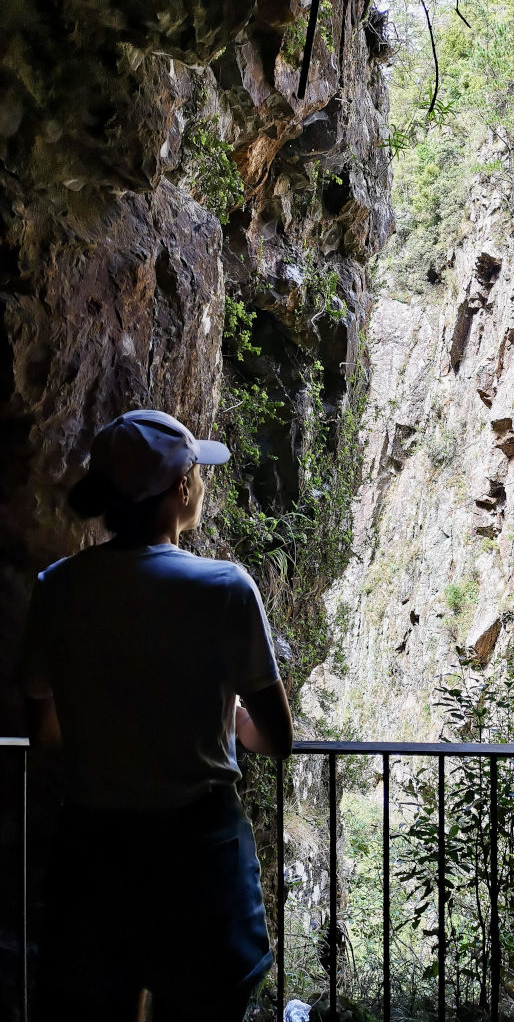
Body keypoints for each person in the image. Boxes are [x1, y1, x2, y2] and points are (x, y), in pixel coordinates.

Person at [18, 409, 293, 1022]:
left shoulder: (57, 588)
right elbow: (276, 738)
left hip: (94, 857)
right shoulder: (224, 587)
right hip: (198, 859)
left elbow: (44, 729)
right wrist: (236, 723)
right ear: (180, 490)